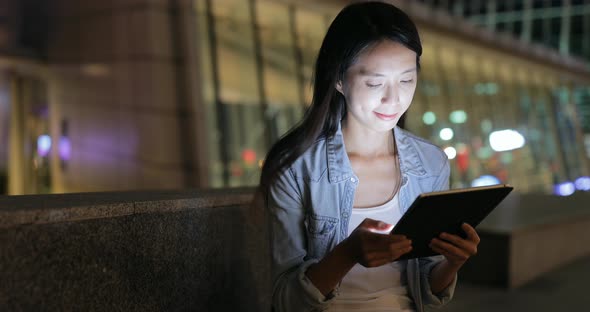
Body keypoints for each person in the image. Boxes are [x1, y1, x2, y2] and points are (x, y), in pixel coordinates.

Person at [256, 2, 480, 311]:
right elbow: (285, 301)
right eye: (374, 82)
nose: (394, 98)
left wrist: (454, 262)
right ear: (338, 79)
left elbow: (427, 288)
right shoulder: (297, 168)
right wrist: (345, 255)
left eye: (406, 79)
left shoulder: (431, 163)